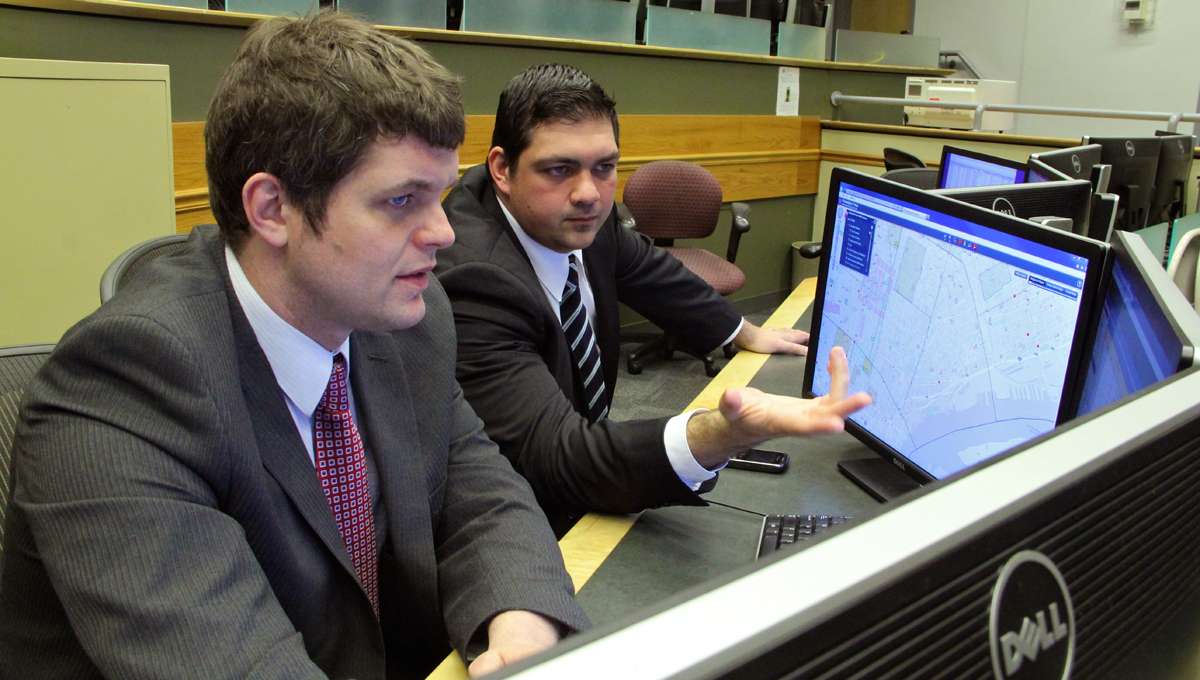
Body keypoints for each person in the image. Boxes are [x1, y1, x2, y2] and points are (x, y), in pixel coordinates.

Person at [0, 14, 587, 680]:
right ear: (272, 209)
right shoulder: (124, 384)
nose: (443, 233)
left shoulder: (405, 318)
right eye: (402, 200)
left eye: (442, 195)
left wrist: (520, 619)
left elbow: (480, 492)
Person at [437, 64, 871, 535]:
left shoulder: (575, 212)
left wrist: (744, 331)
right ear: (502, 168)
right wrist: (722, 433)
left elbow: (650, 271)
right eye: (558, 169)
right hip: (511, 508)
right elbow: (555, 455)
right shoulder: (475, 280)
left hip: (572, 456)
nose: (589, 194)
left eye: (604, 167)